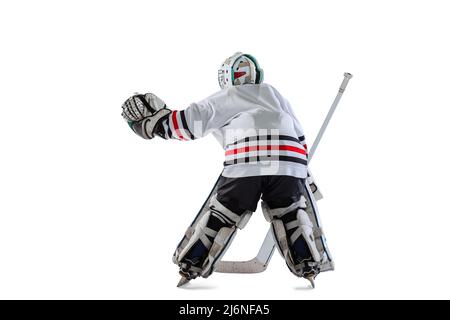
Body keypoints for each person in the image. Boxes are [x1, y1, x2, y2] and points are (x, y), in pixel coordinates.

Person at [121, 52, 332, 287]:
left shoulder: (228, 96)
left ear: (226, 77)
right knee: (291, 211)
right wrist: (306, 179)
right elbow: (300, 140)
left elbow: (191, 123)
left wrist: (156, 123)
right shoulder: (275, 95)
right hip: (290, 163)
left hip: (246, 163)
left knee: (222, 213)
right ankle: (308, 265)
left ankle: (191, 265)